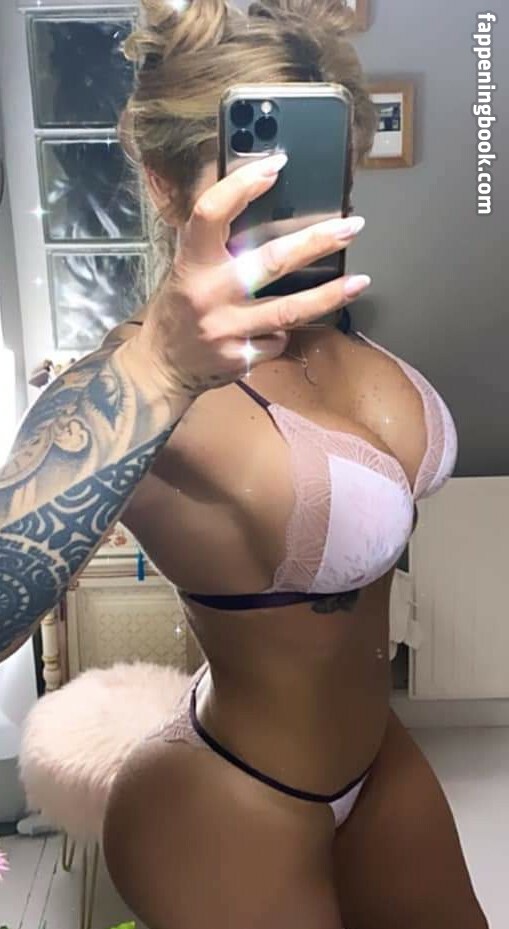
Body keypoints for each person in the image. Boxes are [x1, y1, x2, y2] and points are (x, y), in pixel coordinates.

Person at [0, 1, 489, 928]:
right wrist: (157, 368)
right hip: (229, 797)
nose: (309, 206)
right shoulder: (129, 382)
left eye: (325, 169)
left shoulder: (332, 323)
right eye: (256, 181)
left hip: (378, 761)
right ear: (161, 184)